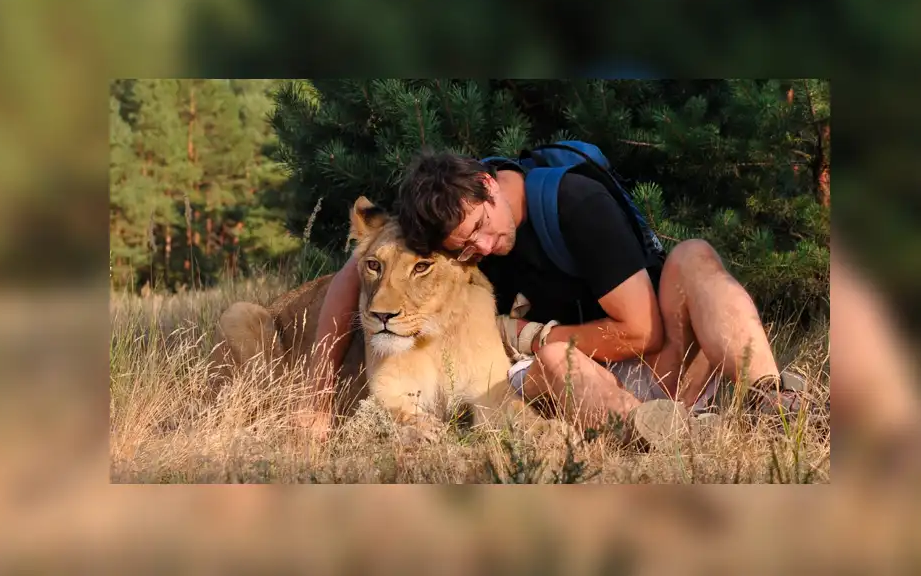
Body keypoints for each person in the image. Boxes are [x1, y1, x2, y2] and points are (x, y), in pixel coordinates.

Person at [309, 149, 816, 445]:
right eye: (463, 247)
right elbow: (356, 271)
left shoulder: (576, 202)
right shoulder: (449, 224)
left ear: (488, 185)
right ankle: (666, 432)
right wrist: (316, 400)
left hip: (659, 355)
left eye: (482, 226)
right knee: (555, 358)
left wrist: (529, 334)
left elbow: (644, 332)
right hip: (576, 381)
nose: (481, 248)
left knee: (695, 255)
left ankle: (773, 397)